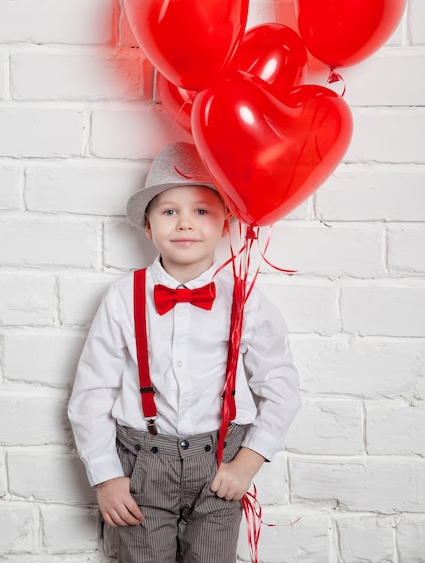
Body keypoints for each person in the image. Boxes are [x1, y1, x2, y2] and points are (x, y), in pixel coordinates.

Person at [68, 141, 301, 563]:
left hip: (221, 464)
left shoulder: (245, 298)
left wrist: (247, 463)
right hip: (140, 465)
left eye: (201, 210)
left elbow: (281, 385)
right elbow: (91, 393)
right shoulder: (123, 298)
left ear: (225, 220)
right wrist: (106, 477)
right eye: (169, 211)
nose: (184, 224)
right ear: (148, 225)